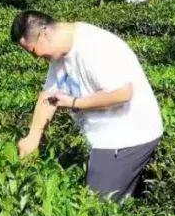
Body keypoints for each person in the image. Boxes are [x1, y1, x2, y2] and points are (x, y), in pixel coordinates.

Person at [11, 10, 163, 200]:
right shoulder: (58, 54)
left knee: (95, 209)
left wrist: (76, 103)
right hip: (103, 137)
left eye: (33, 52)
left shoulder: (94, 45)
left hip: (127, 136)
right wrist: (32, 137)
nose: (36, 58)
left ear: (45, 34)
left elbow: (123, 93)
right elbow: (48, 95)